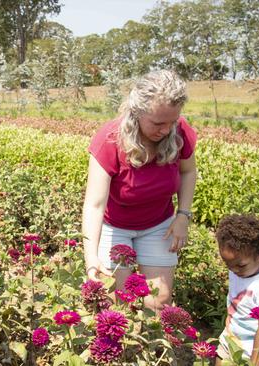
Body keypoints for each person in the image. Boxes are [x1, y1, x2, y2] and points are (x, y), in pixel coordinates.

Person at [82, 69, 197, 312]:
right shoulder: (109, 140)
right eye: (157, 123)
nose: (166, 130)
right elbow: (94, 204)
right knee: (116, 301)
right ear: (136, 112)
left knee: (159, 300)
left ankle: (153, 347)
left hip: (159, 225)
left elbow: (188, 172)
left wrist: (183, 215)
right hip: (115, 226)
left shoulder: (180, 132)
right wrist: (91, 257)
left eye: (172, 121)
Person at [215, 214, 259, 366]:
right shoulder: (238, 267)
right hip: (231, 341)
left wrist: (254, 363)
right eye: (227, 264)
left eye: (240, 266)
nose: (233, 270)